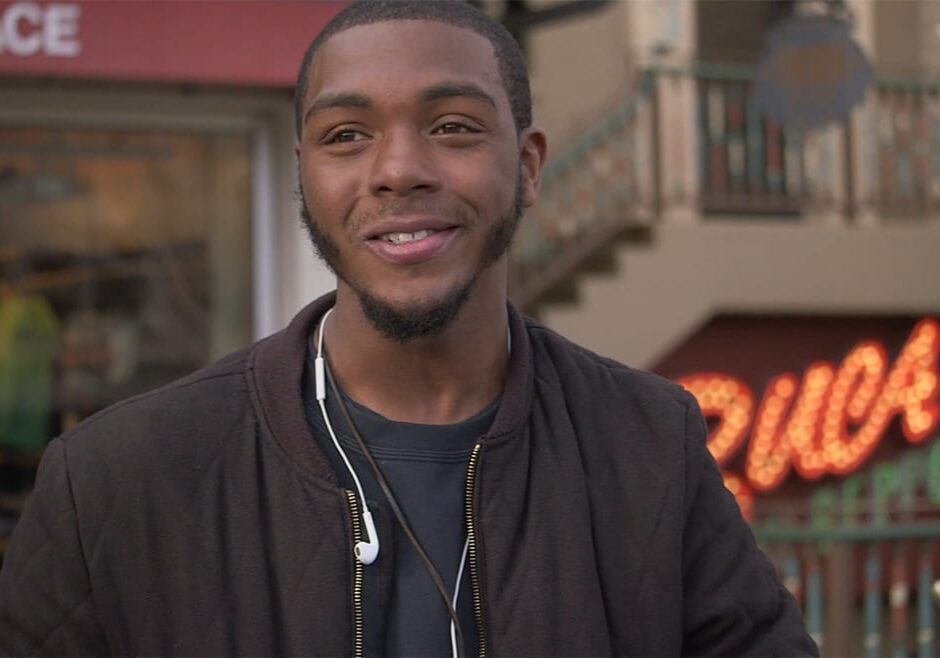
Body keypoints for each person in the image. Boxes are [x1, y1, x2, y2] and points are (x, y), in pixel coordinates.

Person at [0, 1, 818, 656]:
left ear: (528, 166)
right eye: (346, 136)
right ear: (304, 177)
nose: (397, 170)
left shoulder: (649, 446)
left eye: (453, 126)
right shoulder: (114, 480)